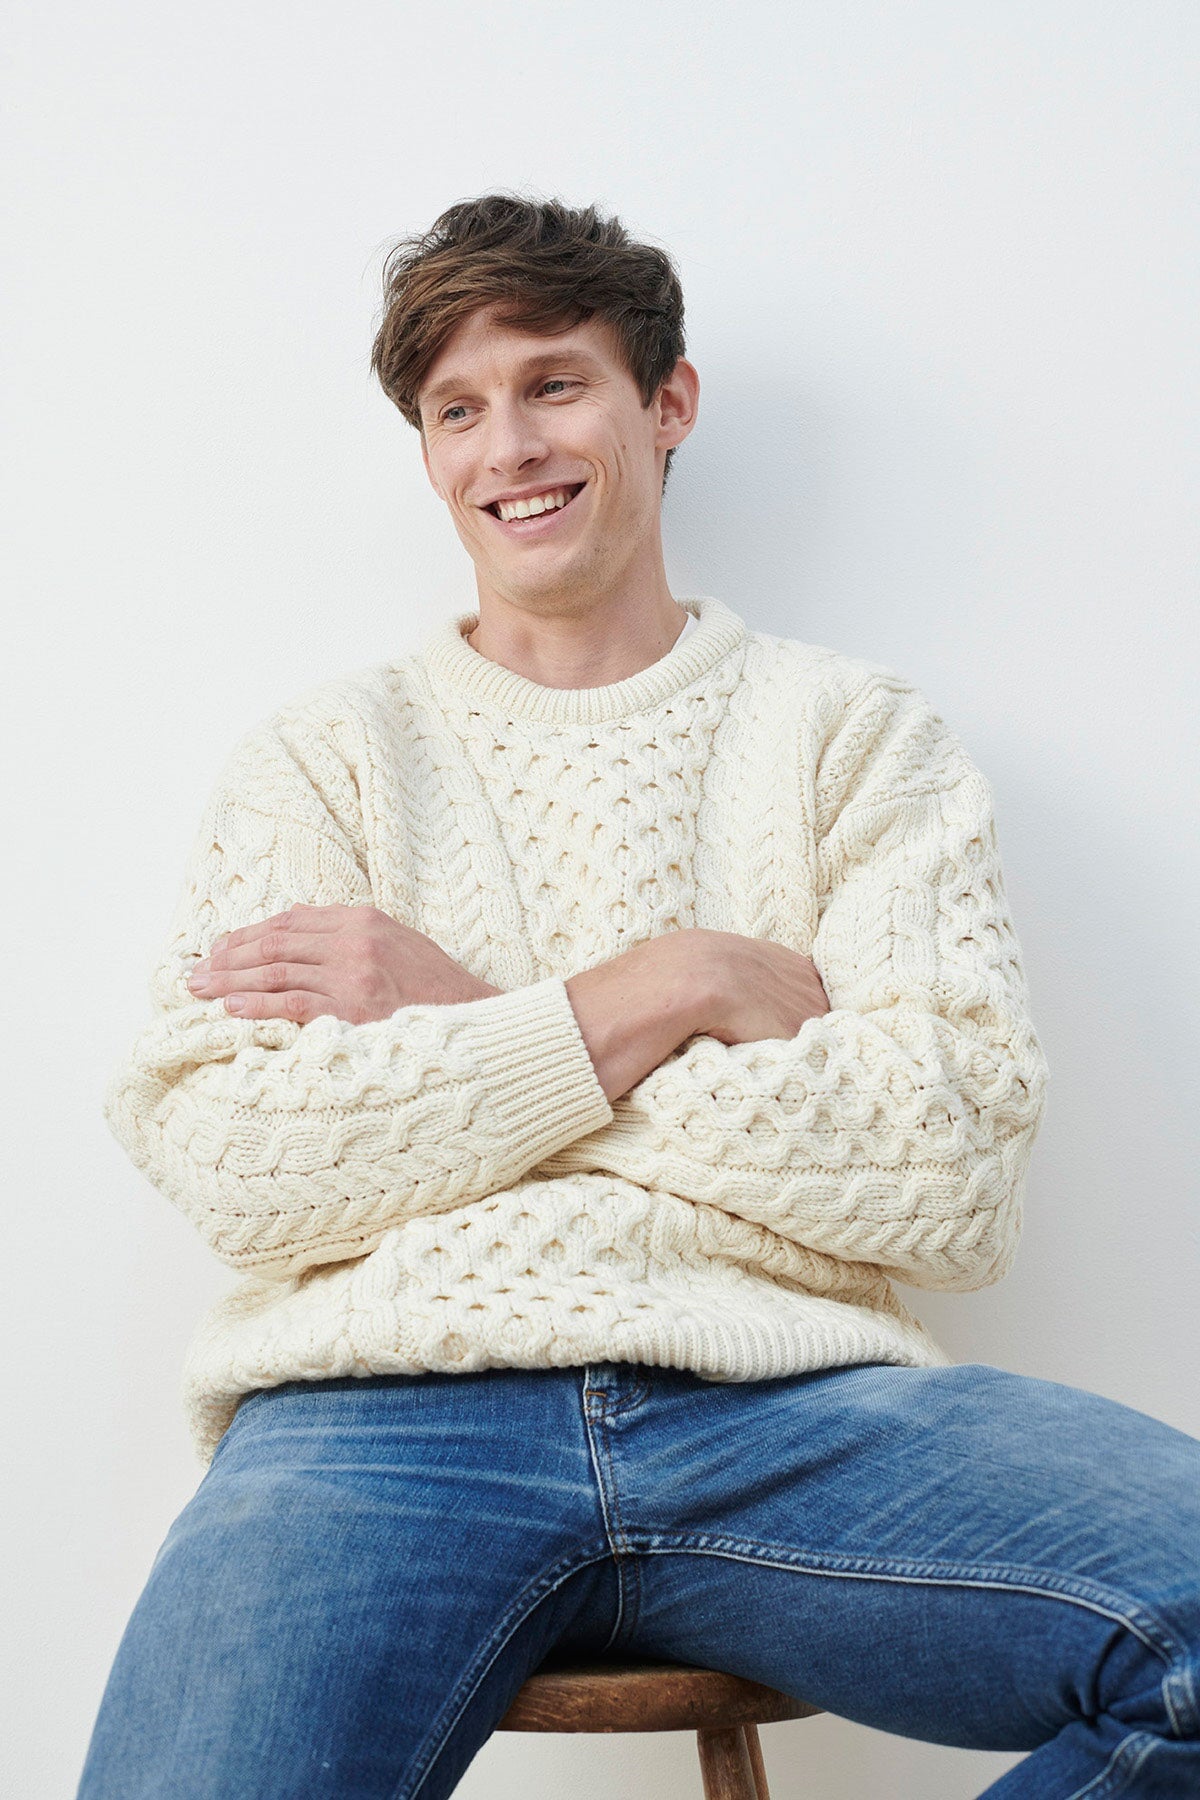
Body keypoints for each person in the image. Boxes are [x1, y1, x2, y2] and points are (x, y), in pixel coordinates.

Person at [76, 194, 1200, 1800]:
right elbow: (242, 1164)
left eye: (554, 384)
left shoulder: (853, 737)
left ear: (667, 402)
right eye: (457, 410)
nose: (508, 448)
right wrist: (666, 988)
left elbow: (948, 1171)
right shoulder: (324, 762)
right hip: (378, 1419)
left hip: (790, 1404)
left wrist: (466, 1014)